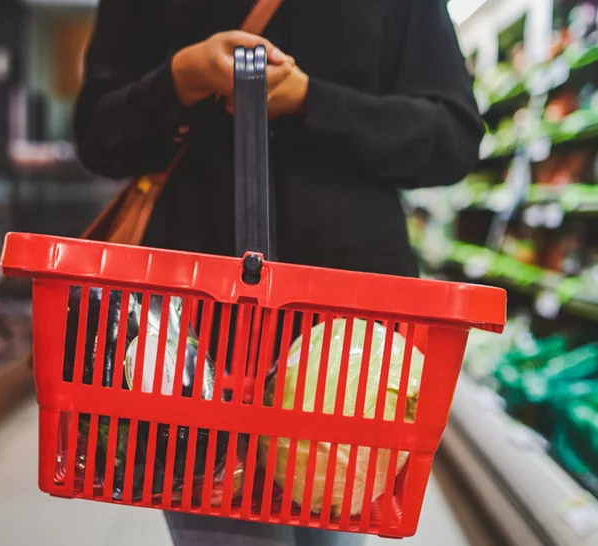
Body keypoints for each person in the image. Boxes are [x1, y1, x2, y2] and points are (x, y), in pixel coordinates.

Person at [73, 0, 481, 543]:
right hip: (195, 335)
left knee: (336, 520)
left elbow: (453, 136)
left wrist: (315, 101)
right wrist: (181, 78)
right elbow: (98, 133)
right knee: (215, 520)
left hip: (351, 340)